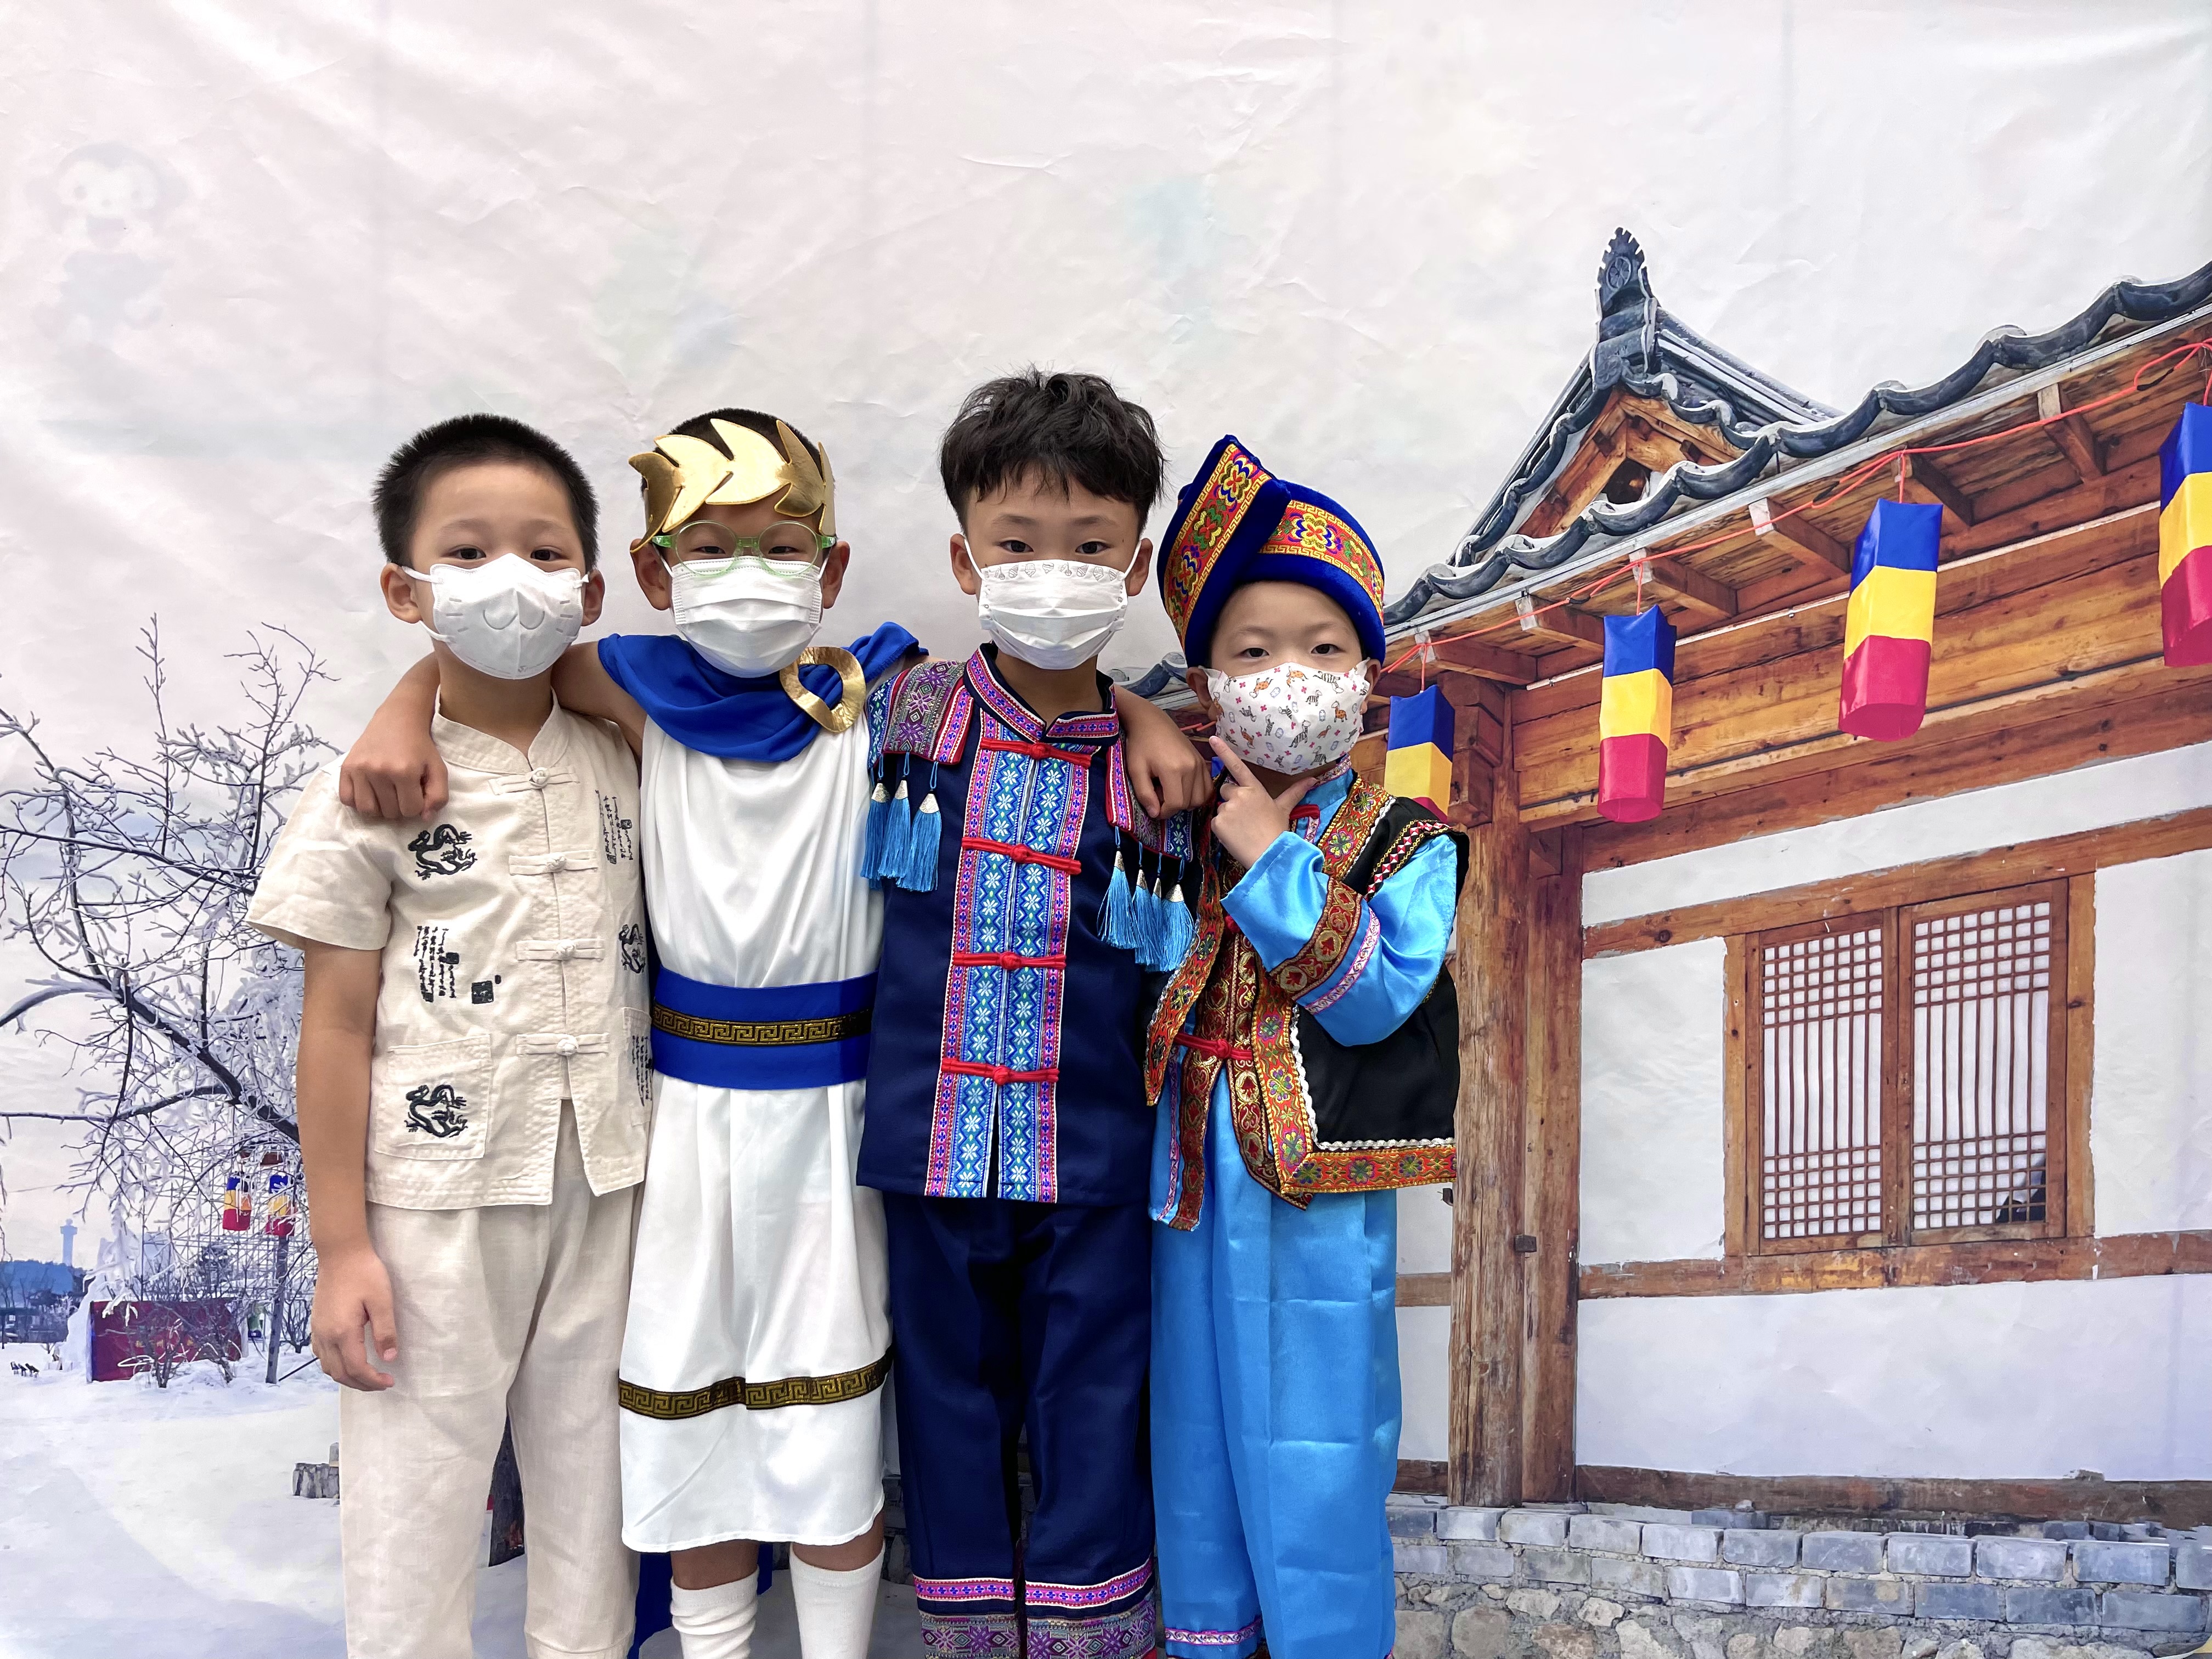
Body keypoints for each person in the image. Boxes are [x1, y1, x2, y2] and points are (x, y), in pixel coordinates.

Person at [336, 400, 1209, 1659]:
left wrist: (1144, 713)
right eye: (711, 547)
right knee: (696, 1409)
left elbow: (1054, 697)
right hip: (691, 1122)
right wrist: (405, 701)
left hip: (858, 1123)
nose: (748, 575)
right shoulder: (650, 693)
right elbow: (499, 670)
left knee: (851, 1420)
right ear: (653, 575)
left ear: (830, 566)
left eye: (782, 545)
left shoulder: (881, 701)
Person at [249, 414, 646, 1659]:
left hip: (617, 1186)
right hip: (435, 1204)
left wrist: (425, 691)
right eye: (466, 553)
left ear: (589, 589)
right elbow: (334, 1024)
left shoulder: (630, 756)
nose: (508, 578)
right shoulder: (370, 789)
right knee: (415, 1517)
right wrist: (342, 1246)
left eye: (544, 552)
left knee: (598, 1518)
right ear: (404, 588)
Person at [857, 368, 1202, 1659]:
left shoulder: (1171, 764)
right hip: (931, 1140)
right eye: (1017, 544)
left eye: (1090, 545)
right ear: (964, 557)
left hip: (1095, 1147)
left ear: (1136, 565)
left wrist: (1141, 709)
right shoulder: (899, 710)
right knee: (945, 1404)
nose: (1053, 571)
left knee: (1094, 1400)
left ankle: (1087, 1637)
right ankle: (965, 1636)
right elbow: (668, 690)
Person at [1143, 437, 1468, 1659]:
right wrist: (1131, 713)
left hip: (1317, 1194)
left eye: (1325, 650)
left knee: (1322, 1458)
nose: (1292, 676)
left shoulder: (1407, 839)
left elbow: (1374, 1000)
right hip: (1181, 1178)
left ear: (1368, 680)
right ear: (1205, 682)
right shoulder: (1166, 815)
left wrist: (1270, 858)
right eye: (1255, 652)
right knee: (1193, 1454)